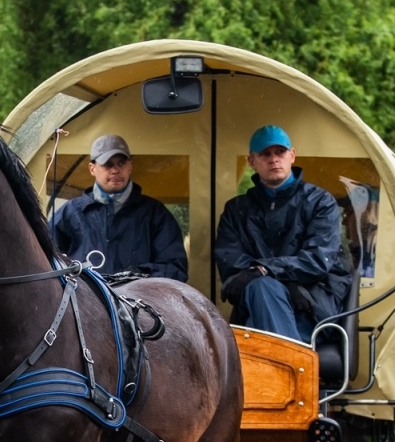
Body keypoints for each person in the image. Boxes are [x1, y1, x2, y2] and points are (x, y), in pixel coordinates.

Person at [214, 125, 353, 343]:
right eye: (265, 154)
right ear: (251, 161)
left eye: (280, 152)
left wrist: (265, 270)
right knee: (262, 287)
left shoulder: (320, 202)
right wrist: (278, 279)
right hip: (256, 305)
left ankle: (281, 365)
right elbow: (230, 263)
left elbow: (318, 260)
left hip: (310, 307)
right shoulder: (236, 210)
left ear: (292, 156)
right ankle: (289, 367)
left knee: (261, 288)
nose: (274, 159)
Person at [50, 134, 187, 281]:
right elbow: (47, 262)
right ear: (92, 168)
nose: (115, 170)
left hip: (138, 302)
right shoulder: (70, 213)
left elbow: (176, 268)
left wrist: (138, 275)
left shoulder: (155, 214)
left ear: (130, 166)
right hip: (84, 302)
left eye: (121, 163)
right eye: (107, 164)